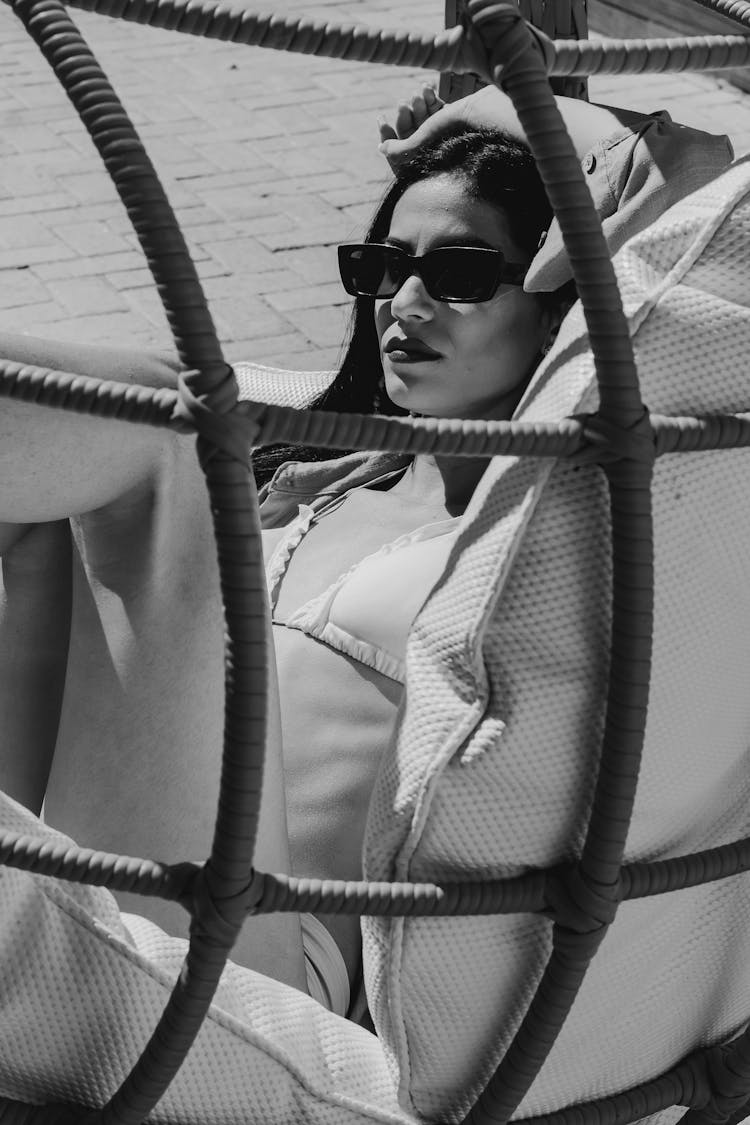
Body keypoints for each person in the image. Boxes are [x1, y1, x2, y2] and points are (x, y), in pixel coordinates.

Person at [0, 84, 734, 1026]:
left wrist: (493, 104)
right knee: (45, 515)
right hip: (96, 851)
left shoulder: (540, 523)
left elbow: (701, 168)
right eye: (384, 265)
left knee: (166, 432)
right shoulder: (331, 475)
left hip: (260, 965)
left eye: (464, 271)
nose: (408, 301)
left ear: (557, 295)